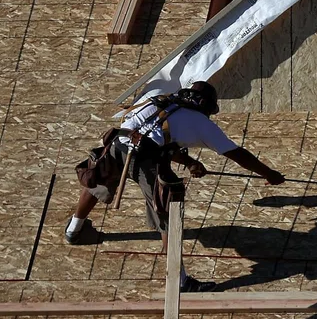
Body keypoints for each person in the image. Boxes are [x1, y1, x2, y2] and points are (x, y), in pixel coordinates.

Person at [65, 81, 284, 293]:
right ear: (206, 106)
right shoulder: (201, 123)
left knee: (97, 182)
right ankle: (180, 281)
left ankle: (74, 230)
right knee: (168, 215)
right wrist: (269, 174)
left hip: (116, 145)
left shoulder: (160, 101)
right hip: (144, 160)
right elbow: (237, 154)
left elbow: (156, 140)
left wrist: (189, 162)